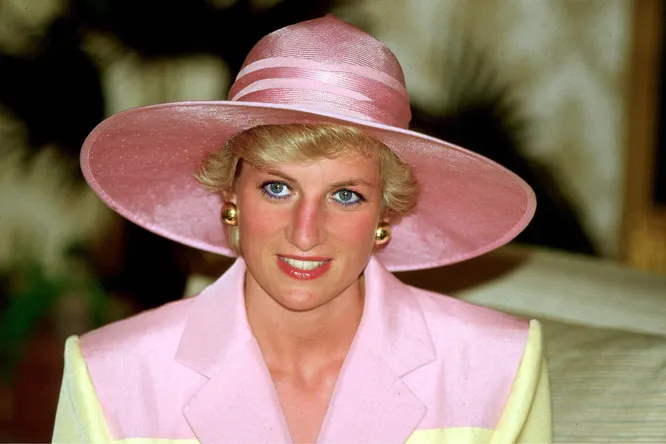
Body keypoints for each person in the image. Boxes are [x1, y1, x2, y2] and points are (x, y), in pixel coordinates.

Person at [52, 14, 551, 444]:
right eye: (277, 188)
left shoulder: (497, 368)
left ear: (385, 213)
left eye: (345, 195)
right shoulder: (111, 376)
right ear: (231, 195)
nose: (306, 234)